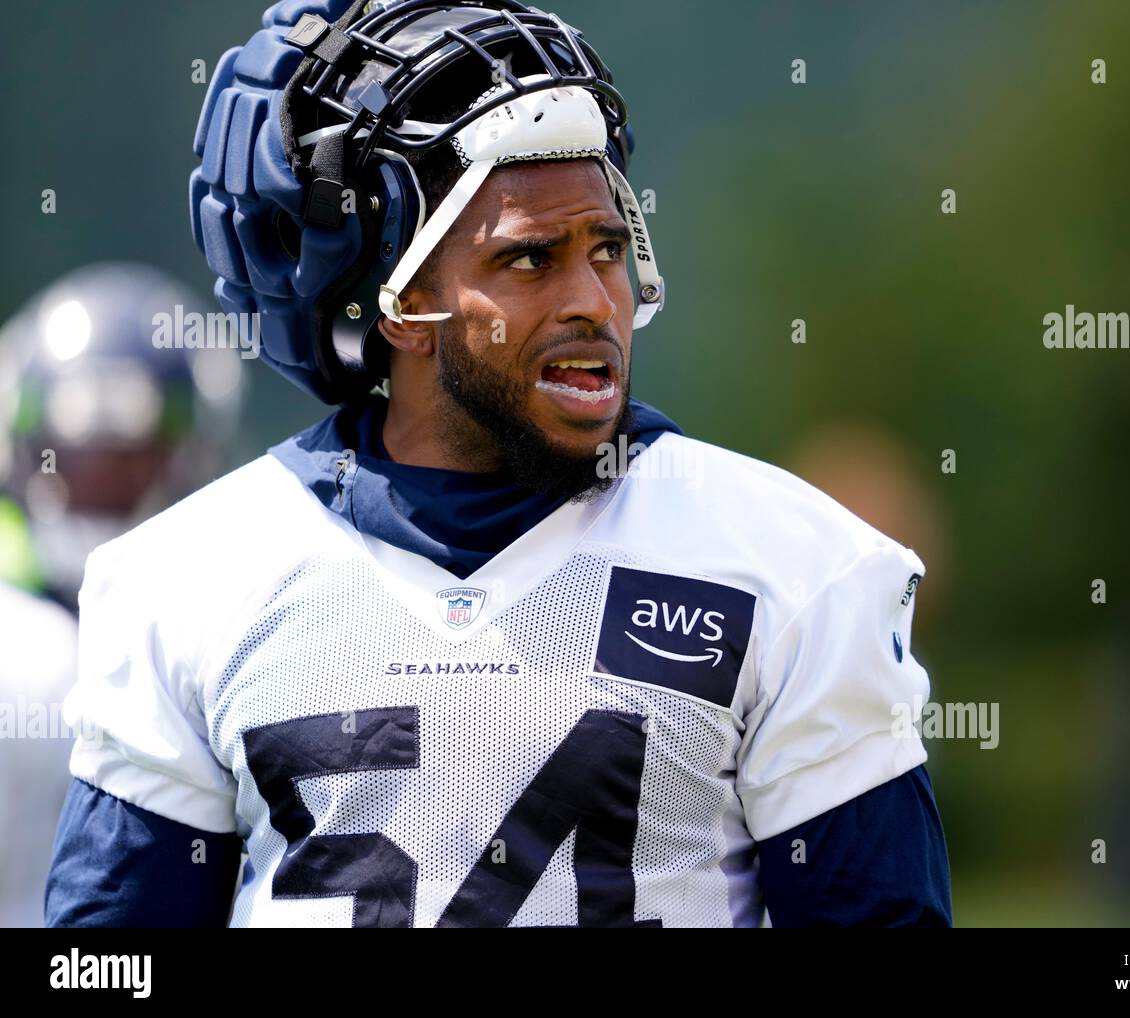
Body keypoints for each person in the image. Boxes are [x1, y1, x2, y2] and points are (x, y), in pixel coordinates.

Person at [45, 0, 950, 927]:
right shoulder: (189, 584)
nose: (593, 300)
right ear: (399, 304)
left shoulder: (797, 569)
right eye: (530, 260)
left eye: (605, 248)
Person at [0, 261, 242, 926]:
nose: (98, 475)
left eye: (131, 452)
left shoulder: (226, 617)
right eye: (75, 452)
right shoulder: (24, 645)